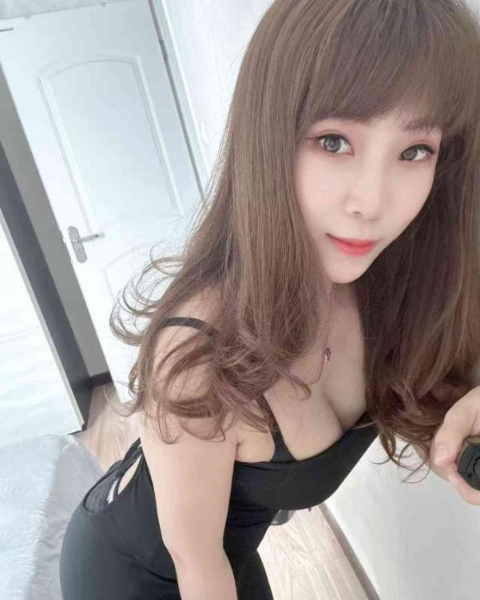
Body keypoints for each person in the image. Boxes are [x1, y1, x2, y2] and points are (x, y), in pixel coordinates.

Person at [59, 1, 480, 598]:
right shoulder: (199, 352)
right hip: (134, 572)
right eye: (334, 141)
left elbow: (440, 402)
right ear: (268, 140)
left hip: (225, 551)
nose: (372, 202)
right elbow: (196, 559)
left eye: (415, 151)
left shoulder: (393, 291)